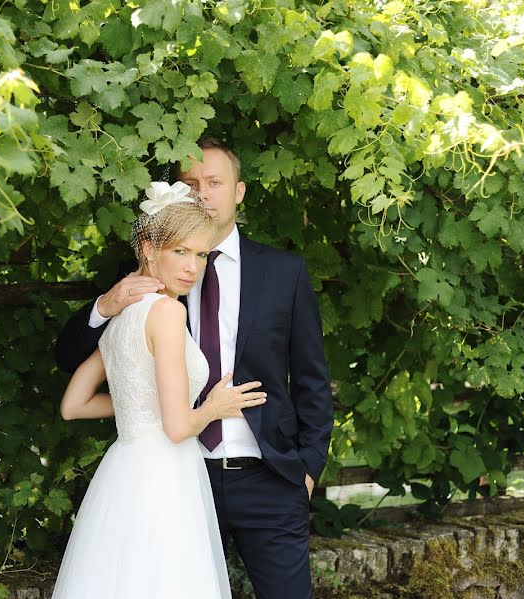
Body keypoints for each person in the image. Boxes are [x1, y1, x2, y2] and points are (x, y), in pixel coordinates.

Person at [55, 138, 334, 599]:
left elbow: (312, 380)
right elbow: (71, 357)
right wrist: (105, 304)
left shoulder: (284, 272)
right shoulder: (149, 281)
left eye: (215, 182)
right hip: (180, 475)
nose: (203, 193)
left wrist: (308, 470)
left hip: (267, 475)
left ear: (238, 191)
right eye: (191, 183)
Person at [51, 182, 268, 599]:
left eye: (201, 254)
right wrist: (214, 407)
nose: (193, 266)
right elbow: (176, 427)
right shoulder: (167, 312)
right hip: (166, 474)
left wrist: (140, 408)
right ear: (149, 249)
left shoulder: (125, 311)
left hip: (125, 471)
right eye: (180, 252)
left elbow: (73, 405)